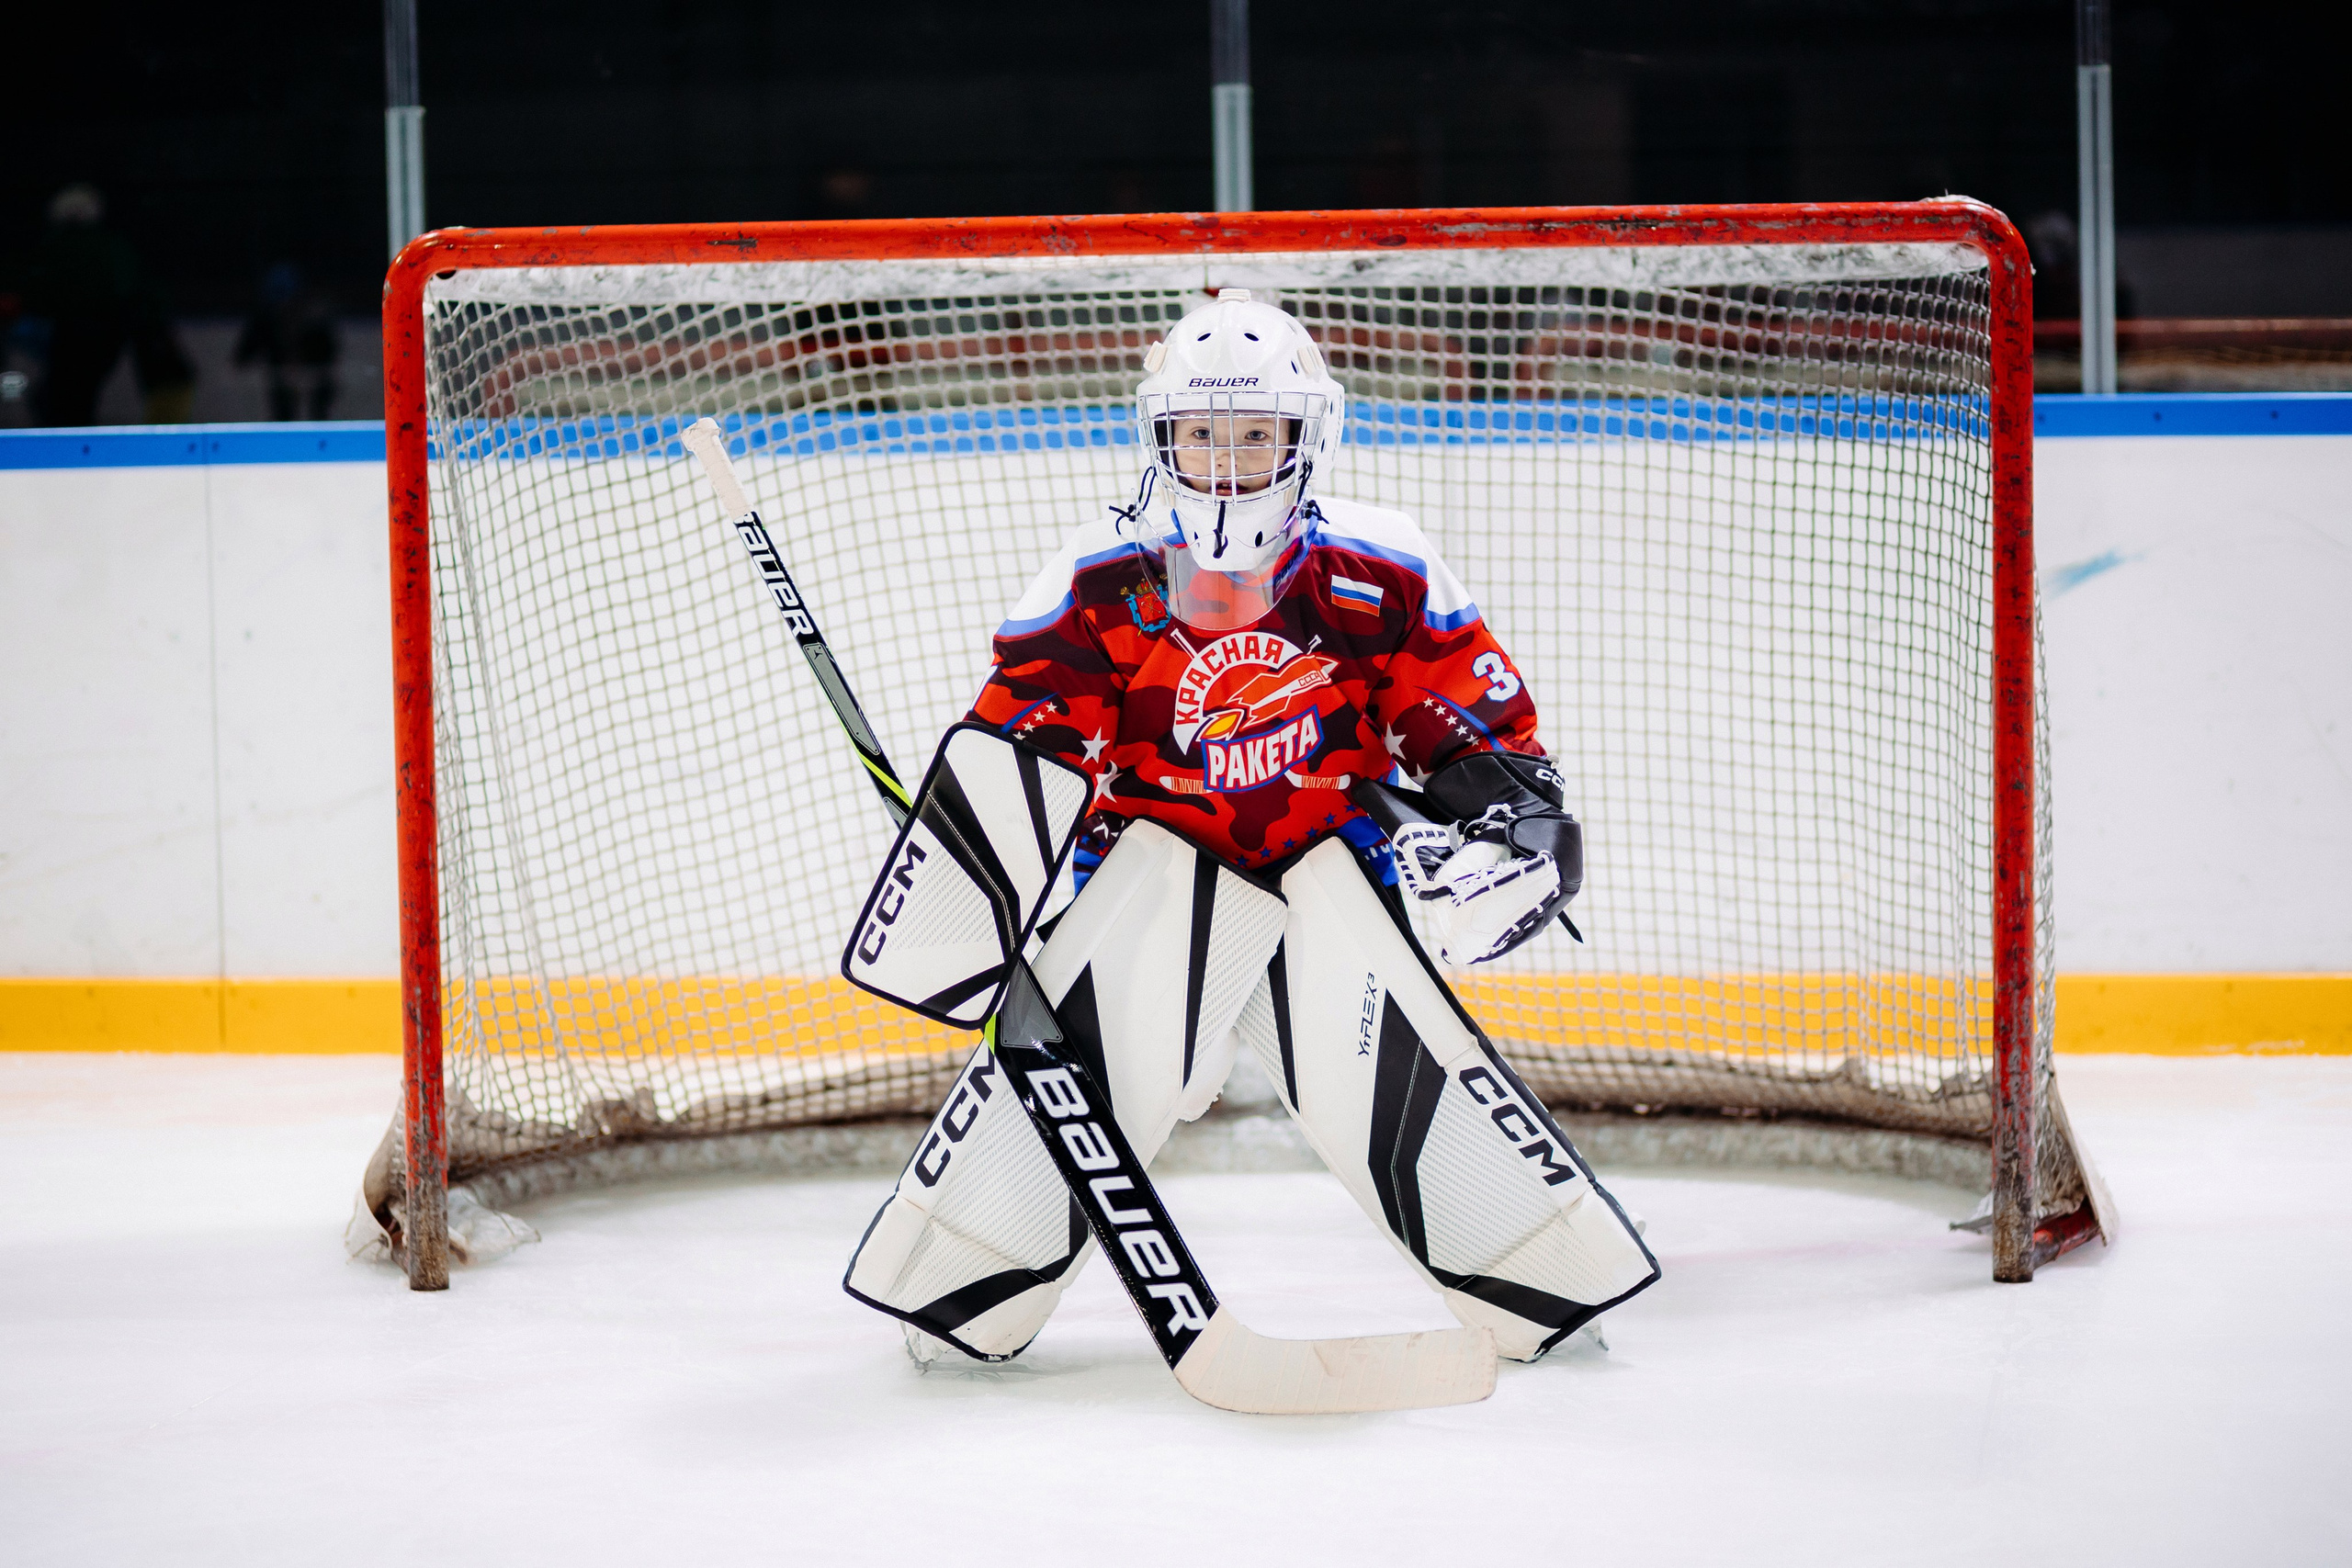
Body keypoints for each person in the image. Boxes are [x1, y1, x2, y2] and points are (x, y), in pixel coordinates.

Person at [842, 290, 1658, 1369]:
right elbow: (1022, 752)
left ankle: (1537, 1266)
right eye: (1199, 434)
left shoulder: (1380, 565)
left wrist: (1520, 832)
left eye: (1253, 435)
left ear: (1304, 437)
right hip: (1151, 891)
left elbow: (1472, 732)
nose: (1225, 462)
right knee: (978, 1268)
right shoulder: (1104, 577)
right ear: (1160, 438)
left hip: (1333, 882)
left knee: (1527, 1266)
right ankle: (964, 1271)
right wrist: (976, 874)